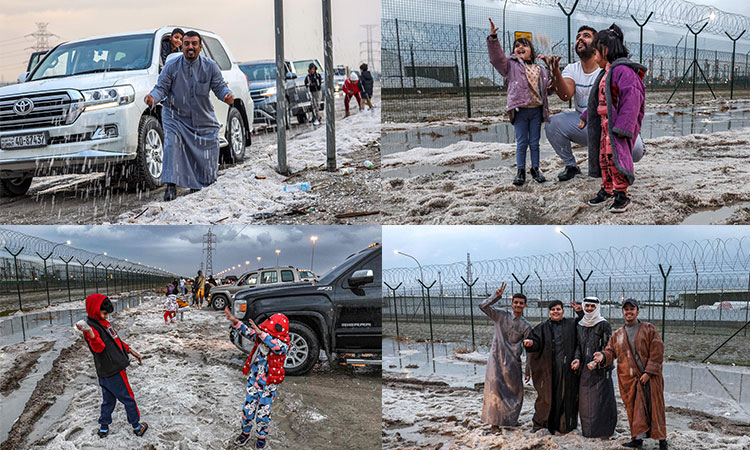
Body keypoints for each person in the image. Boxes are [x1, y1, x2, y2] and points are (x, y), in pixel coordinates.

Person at [543, 25, 645, 182]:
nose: (580, 39)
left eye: (586, 35)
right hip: (584, 123)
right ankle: (571, 166)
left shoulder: (612, 69)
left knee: (636, 151)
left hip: (610, 123)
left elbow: (630, 102)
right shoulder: (572, 68)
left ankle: (620, 168)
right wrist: (555, 71)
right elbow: (566, 95)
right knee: (553, 123)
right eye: (577, 37)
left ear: (599, 45)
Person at [145, 31, 235, 202]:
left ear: (200, 47)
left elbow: (220, 87)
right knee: (172, 144)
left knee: (208, 144)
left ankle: (199, 182)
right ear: (182, 47)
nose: (190, 47)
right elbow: (161, 88)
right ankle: (171, 185)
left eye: (194, 43)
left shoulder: (210, 66)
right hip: (174, 115)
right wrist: (152, 98)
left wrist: (226, 95)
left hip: (202, 116)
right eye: (186, 44)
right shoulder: (172, 66)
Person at [580, 24, 646, 213]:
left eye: (596, 53)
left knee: (616, 160)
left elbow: (632, 100)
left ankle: (621, 195)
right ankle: (608, 188)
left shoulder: (623, 71)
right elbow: (597, 99)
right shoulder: (606, 73)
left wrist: (624, 127)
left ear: (605, 50)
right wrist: (587, 115)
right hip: (604, 126)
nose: (594, 58)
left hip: (616, 127)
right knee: (605, 160)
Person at [593, 299, 667, 450]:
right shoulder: (618, 334)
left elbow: (657, 351)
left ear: (637, 312)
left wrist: (648, 372)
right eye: (626, 309)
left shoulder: (649, 329)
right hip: (630, 380)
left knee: (655, 408)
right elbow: (610, 351)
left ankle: (662, 441)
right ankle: (637, 439)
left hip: (650, 379)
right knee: (634, 409)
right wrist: (602, 356)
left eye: (632, 309)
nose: (629, 312)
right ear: (623, 312)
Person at [487, 18, 552, 186]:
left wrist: (554, 71)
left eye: (525, 45)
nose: (520, 47)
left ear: (532, 50)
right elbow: (496, 59)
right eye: (517, 45)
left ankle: (535, 169)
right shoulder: (510, 66)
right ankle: (521, 171)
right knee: (522, 142)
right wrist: (493, 39)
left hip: (537, 110)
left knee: (535, 143)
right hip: (520, 110)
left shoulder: (541, 70)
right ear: (514, 52)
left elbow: (548, 90)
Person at [74, 294, 148, 438]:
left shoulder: (103, 323)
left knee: (108, 401)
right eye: (104, 313)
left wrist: (130, 350)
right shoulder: (91, 328)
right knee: (128, 398)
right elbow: (99, 348)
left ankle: (103, 427)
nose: (106, 316)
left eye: (107, 313)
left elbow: (116, 340)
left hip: (104, 371)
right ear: (94, 309)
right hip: (114, 369)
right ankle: (137, 426)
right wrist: (89, 333)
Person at [224, 307, 290, 448]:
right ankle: (245, 433)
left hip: (269, 385)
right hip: (254, 382)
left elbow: (277, 347)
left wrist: (262, 334)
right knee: (248, 409)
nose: (262, 334)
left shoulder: (283, 345)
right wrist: (235, 321)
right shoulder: (259, 338)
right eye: (264, 331)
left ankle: (261, 436)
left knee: (263, 412)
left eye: (267, 331)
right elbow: (247, 332)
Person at [523, 300, 583, 434]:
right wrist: (530, 343)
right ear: (549, 312)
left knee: (566, 397)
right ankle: (540, 424)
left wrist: (579, 311)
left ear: (563, 311)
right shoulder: (542, 327)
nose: (555, 312)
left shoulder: (571, 324)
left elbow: (585, 322)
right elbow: (535, 342)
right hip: (548, 370)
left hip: (568, 369)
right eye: (553, 310)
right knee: (546, 397)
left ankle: (564, 426)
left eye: (558, 309)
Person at [479, 283, 531, 428]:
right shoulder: (500, 315)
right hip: (496, 359)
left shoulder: (526, 325)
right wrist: (496, 296)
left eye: (521, 303)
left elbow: (529, 350)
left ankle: (511, 421)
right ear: (512, 303)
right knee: (495, 391)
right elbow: (482, 306)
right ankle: (494, 422)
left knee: (515, 392)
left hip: (513, 362)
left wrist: (528, 371)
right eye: (516, 302)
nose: (518, 305)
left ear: (525, 305)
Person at [571, 297, 617, 438]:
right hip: (585, 370)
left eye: (592, 306)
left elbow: (609, 346)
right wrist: (577, 359)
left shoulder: (603, 324)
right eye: (587, 306)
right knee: (586, 403)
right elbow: (578, 345)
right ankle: (589, 431)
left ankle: (605, 430)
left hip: (601, 370)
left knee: (602, 401)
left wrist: (600, 359)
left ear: (597, 307)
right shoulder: (580, 324)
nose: (589, 309)